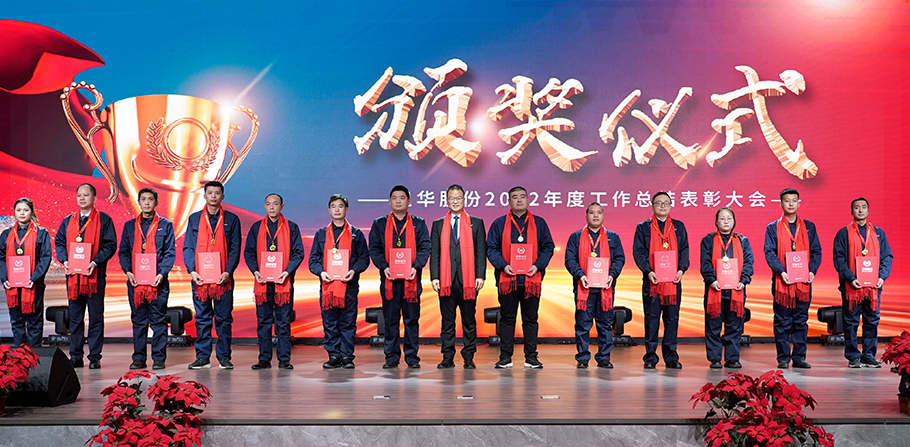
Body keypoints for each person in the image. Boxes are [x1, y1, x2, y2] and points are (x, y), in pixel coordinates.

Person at [486, 186, 555, 369]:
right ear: (509, 201)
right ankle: (505, 357)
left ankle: (531, 357)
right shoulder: (499, 223)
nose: (519, 200)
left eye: (522, 196)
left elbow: (548, 247)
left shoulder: (539, 223)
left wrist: (537, 266)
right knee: (507, 319)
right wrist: (504, 266)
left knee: (530, 319)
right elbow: (491, 249)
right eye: (515, 197)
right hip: (507, 279)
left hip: (531, 279)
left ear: (528, 200)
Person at [55, 183, 117, 369]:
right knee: (75, 318)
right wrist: (64, 260)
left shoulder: (104, 220)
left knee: (96, 317)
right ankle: (75, 356)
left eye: (86, 195)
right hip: (74, 278)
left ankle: (95, 357)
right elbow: (59, 242)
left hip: (94, 277)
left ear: (94, 198)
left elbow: (110, 245)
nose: (82, 198)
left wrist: (95, 262)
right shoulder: (68, 220)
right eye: (79, 195)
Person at [368, 185, 431, 369]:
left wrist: (415, 267)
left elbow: (425, 247)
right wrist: (384, 267)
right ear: (389, 201)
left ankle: (412, 357)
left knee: (412, 320)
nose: (398, 201)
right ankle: (391, 357)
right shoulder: (379, 224)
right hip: (389, 281)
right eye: (394, 198)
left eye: (402, 198)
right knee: (390, 320)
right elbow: (374, 249)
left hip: (412, 281)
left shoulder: (419, 223)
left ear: (409, 201)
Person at [184, 181, 242, 370]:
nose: (214, 196)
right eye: (210, 193)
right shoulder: (194, 219)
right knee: (202, 318)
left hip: (223, 279)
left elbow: (235, 249)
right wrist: (192, 270)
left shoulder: (232, 219)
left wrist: (228, 271)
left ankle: (224, 357)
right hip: (200, 279)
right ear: (205, 195)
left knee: (224, 319)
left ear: (222, 196)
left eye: (217, 193)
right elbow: (188, 246)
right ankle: (203, 358)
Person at [244, 193, 305, 370]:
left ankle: (284, 359)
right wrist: (255, 271)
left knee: (283, 322)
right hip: (262, 283)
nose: (272, 207)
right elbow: (248, 252)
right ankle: (264, 359)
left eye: (275, 204)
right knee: (263, 321)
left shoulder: (291, 227)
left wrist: (287, 272)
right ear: (265, 206)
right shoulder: (257, 227)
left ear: (282, 207)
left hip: (283, 282)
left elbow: (298, 253)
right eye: (268, 204)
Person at [117, 188, 176, 370]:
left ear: (156, 202)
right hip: (135, 282)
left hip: (158, 282)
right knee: (139, 321)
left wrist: (161, 273)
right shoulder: (129, 226)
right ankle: (139, 359)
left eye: (150, 199)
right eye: (143, 199)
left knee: (159, 321)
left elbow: (170, 253)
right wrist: (128, 272)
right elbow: (123, 252)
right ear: (139, 202)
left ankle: (158, 359)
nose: (147, 203)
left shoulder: (165, 225)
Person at [309, 194, 369, 369]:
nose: (337, 209)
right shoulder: (321, 234)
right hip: (328, 286)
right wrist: (321, 272)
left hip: (348, 286)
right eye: (333, 206)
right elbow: (313, 260)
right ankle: (334, 355)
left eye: (340, 206)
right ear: (329, 210)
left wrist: (353, 270)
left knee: (348, 322)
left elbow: (364, 259)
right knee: (330, 322)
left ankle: (347, 356)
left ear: (346, 209)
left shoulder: (356, 234)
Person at [763, 188, 821, 369]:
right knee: (782, 322)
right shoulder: (772, 227)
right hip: (782, 283)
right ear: (781, 204)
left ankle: (799, 357)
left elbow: (816, 251)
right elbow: (769, 253)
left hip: (803, 283)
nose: (790, 204)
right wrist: (781, 271)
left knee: (800, 321)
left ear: (798, 203)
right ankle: (783, 358)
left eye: (794, 200)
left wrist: (812, 271)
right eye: (787, 200)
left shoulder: (809, 227)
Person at [430, 184, 486, 370]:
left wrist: (480, 276)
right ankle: (447, 357)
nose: (455, 201)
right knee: (447, 322)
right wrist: (435, 277)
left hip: (468, 281)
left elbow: (481, 252)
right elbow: (435, 253)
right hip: (446, 280)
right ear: (446, 200)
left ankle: (469, 357)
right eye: (452, 198)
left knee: (469, 321)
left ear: (464, 199)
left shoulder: (476, 223)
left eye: (459, 198)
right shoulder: (438, 224)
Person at [832, 198, 893, 368]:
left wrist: (882, 277)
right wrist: (851, 278)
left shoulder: (878, 233)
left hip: (873, 287)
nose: (860, 210)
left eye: (864, 207)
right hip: (852, 287)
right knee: (851, 322)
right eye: (857, 208)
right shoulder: (843, 233)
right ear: (851, 211)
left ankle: (868, 355)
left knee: (872, 321)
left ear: (868, 210)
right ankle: (853, 357)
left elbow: (887, 257)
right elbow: (839, 260)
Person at [632, 191, 689, 370]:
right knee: (652, 319)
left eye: (666, 203)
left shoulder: (678, 226)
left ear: (670, 206)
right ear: (652, 206)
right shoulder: (643, 227)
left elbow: (685, 250)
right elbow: (638, 252)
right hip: (652, 282)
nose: (663, 206)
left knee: (672, 319)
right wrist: (648, 271)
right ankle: (650, 356)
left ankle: (671, 356)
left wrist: (681, 269)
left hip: (673, 282)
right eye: (659, 203)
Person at [564, 202, 624, 369]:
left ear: (603, 215)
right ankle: (583, 358)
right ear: (586, 216)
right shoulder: (575, 237)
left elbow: (619, 259)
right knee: (583, 324)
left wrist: (612, 275)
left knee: (605, 324)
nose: (595, 215)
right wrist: (580, 275)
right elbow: (570, 260)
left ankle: (604, 357)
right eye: (592, 213)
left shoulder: (613, 237)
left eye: (599, 212)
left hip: (605, 289)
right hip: (584, 288)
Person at [699, 207, 754, 369]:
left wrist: (744, 280)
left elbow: (749, 262)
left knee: (734, 327)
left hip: (736, 290)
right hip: (714, 290)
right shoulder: (708, 240)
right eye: (722, 218)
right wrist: (711, 280)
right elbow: (705, 263)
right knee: (713, 326)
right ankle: (715, 358)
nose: (725, 221)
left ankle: (732, 358)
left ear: (734, 222)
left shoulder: (742, 241)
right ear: (716, 222)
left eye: (729, 218)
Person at [0, 198, 51, 348]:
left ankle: (34, 355)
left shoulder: (42, 233)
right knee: (17, 321)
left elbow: (45, 258)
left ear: (32, 212)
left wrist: (34, 278)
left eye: (26, 210)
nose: (22, 213)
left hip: (33, 284)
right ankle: (20, 355)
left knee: (34, 321)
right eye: (18, 210)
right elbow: (0, 258)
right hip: (12, 284)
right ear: (14, 212)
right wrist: (4, 278)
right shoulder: (6, 234)